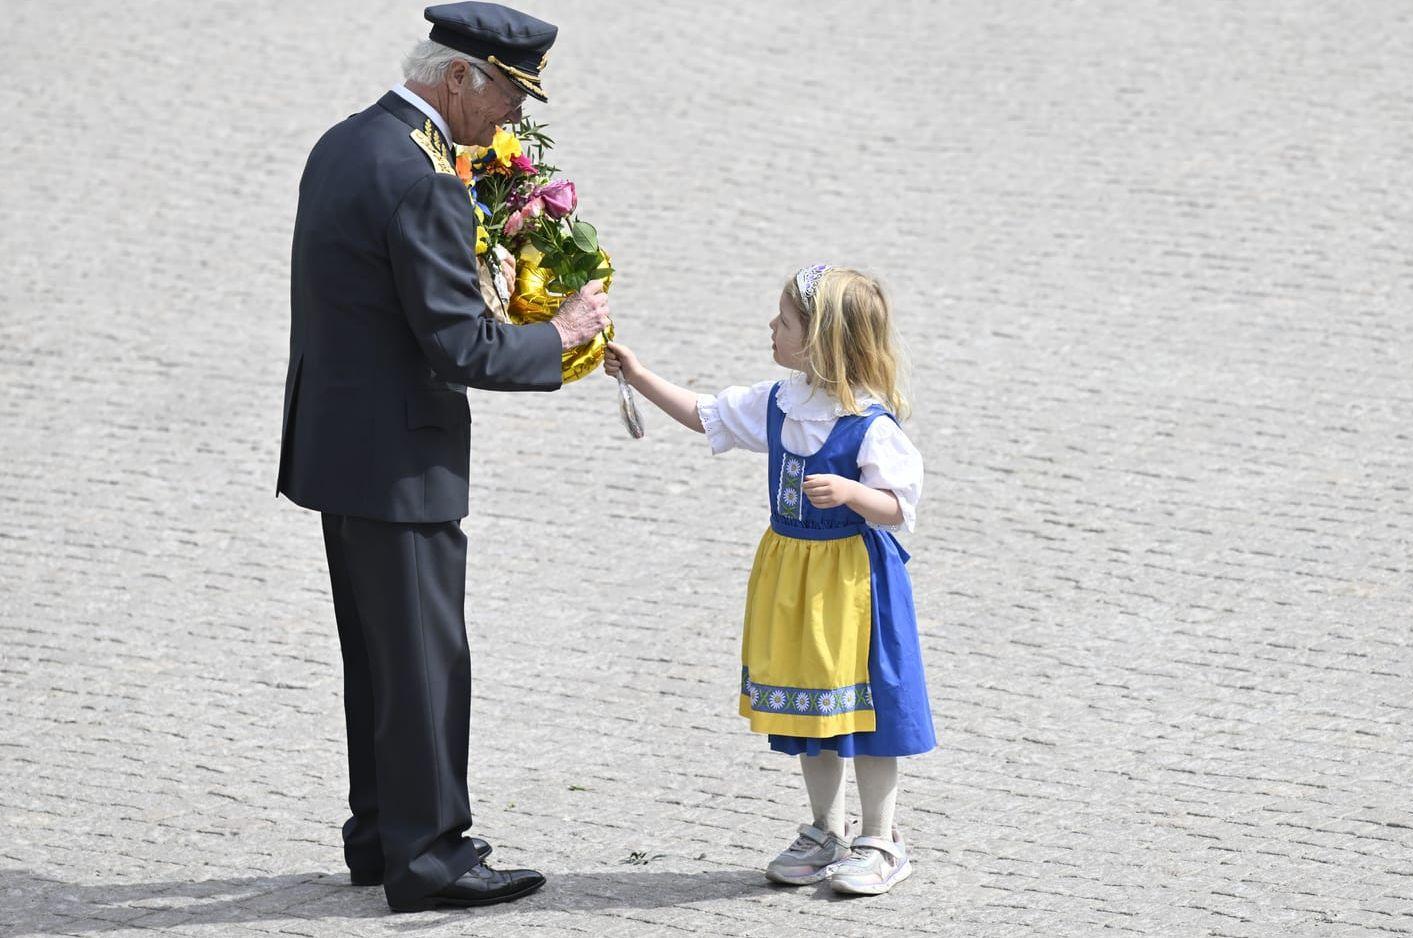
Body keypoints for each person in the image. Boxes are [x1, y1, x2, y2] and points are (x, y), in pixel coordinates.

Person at [276, 2, 611, 913]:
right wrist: (561, 335)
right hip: (399, 461)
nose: (511, 115)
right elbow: (461, 348)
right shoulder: (427, 180)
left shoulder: (346, 141)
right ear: (457, 75)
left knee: (378, 658)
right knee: (424, 661)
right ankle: (428, 858)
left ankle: (382, 834)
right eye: (507, 91)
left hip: (338, 449)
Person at [603, 266, 936, 896]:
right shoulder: (782, 402)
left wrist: (854, 493)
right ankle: (824, 830)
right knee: (813, 707)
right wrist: (640, 376)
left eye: (784, 322)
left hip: (853, 585)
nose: (771, 329)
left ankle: (881, 840)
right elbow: (707, 415)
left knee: (867, 711)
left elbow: (900, 509)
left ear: (822, 341)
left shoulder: (871, 423)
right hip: (793, 576)